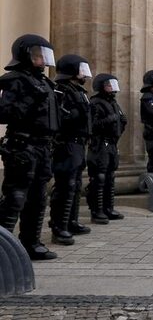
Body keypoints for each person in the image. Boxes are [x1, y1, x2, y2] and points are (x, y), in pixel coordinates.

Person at [0, 34, 60, 260]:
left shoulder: (45, 82)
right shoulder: (12, 80)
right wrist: (29, 100)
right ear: (25, 54)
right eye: (38, 55)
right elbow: (4, 113)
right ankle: (3, 247)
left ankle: (31, 243)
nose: (43, 60)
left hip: (43, 146)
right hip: (22, 145)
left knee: (38, 197)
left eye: (44, 56)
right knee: (15, 196)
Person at [49, 54, 93, 245]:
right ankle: (59, 227)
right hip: (66, 143)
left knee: (74, 185)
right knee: (65, 185)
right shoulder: (61, 90)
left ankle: (71, 221)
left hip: (78, 142)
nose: (85, 74)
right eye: (81, 70)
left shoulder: (78, 90)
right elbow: (61, 117)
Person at [86, 73, 127, 224]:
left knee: (110, 176)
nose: (112, 88)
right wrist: (109, 120)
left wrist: (121, 124)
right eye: (109, 85)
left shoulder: (114, 103)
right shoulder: (96, 102)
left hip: (111, 143)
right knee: (99, 177)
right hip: (99, 143)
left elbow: (119, 121)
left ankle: (109, 208)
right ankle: (97, 211)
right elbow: (92, 125)